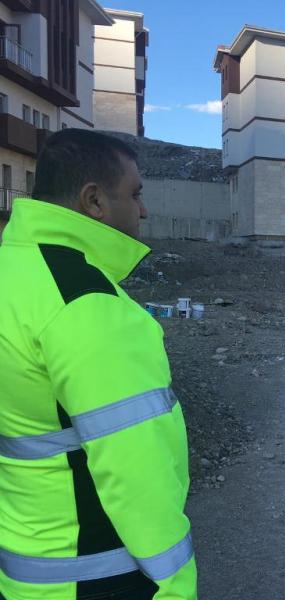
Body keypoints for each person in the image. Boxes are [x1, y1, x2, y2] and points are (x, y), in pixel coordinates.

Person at [0, 129, 197, 599]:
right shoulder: (84, 302)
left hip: (25, 570)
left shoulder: (13, 270)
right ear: (94, 201)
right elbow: (137, 473)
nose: (143, 210)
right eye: (135, 194)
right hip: (95, 578)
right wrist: (176, 588)